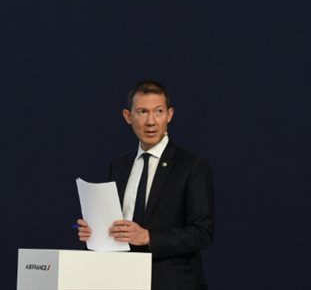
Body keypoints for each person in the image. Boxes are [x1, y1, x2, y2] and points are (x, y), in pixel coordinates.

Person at [77, 80, 215, 290]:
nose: (151, 121)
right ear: (127, 116)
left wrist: (148, 237)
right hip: (123, 281)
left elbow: (203, 233)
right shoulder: (119, 165)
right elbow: (120, 224)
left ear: (169, 115)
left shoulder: (192, 165)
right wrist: (96, 232)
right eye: (142, 112)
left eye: (158, 111)